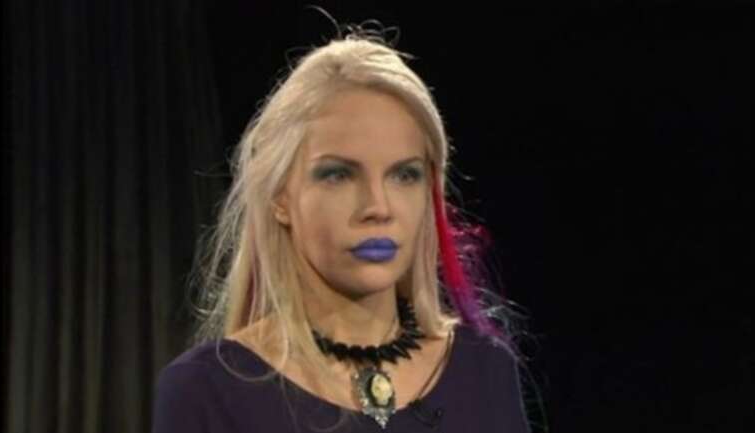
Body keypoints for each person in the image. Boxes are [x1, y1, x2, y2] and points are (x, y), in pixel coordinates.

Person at [151, 28, 532, 433]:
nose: (378, 207)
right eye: (338, 175)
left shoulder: (486, 370)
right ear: (279, 196)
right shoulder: (207, 389)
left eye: (404, 175)